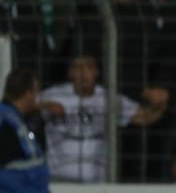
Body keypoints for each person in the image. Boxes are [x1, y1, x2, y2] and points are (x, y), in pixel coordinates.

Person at [41, 54, 168, 183]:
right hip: (57, 181)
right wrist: (43, 105)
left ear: (96, 72)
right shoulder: (52, 95)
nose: (83, 73)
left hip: (96, 184)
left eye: (89, 68)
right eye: (78, 68)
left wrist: (159, 105)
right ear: (70, 73)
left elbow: (144, 117)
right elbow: (23, 107)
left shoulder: (108, 99)